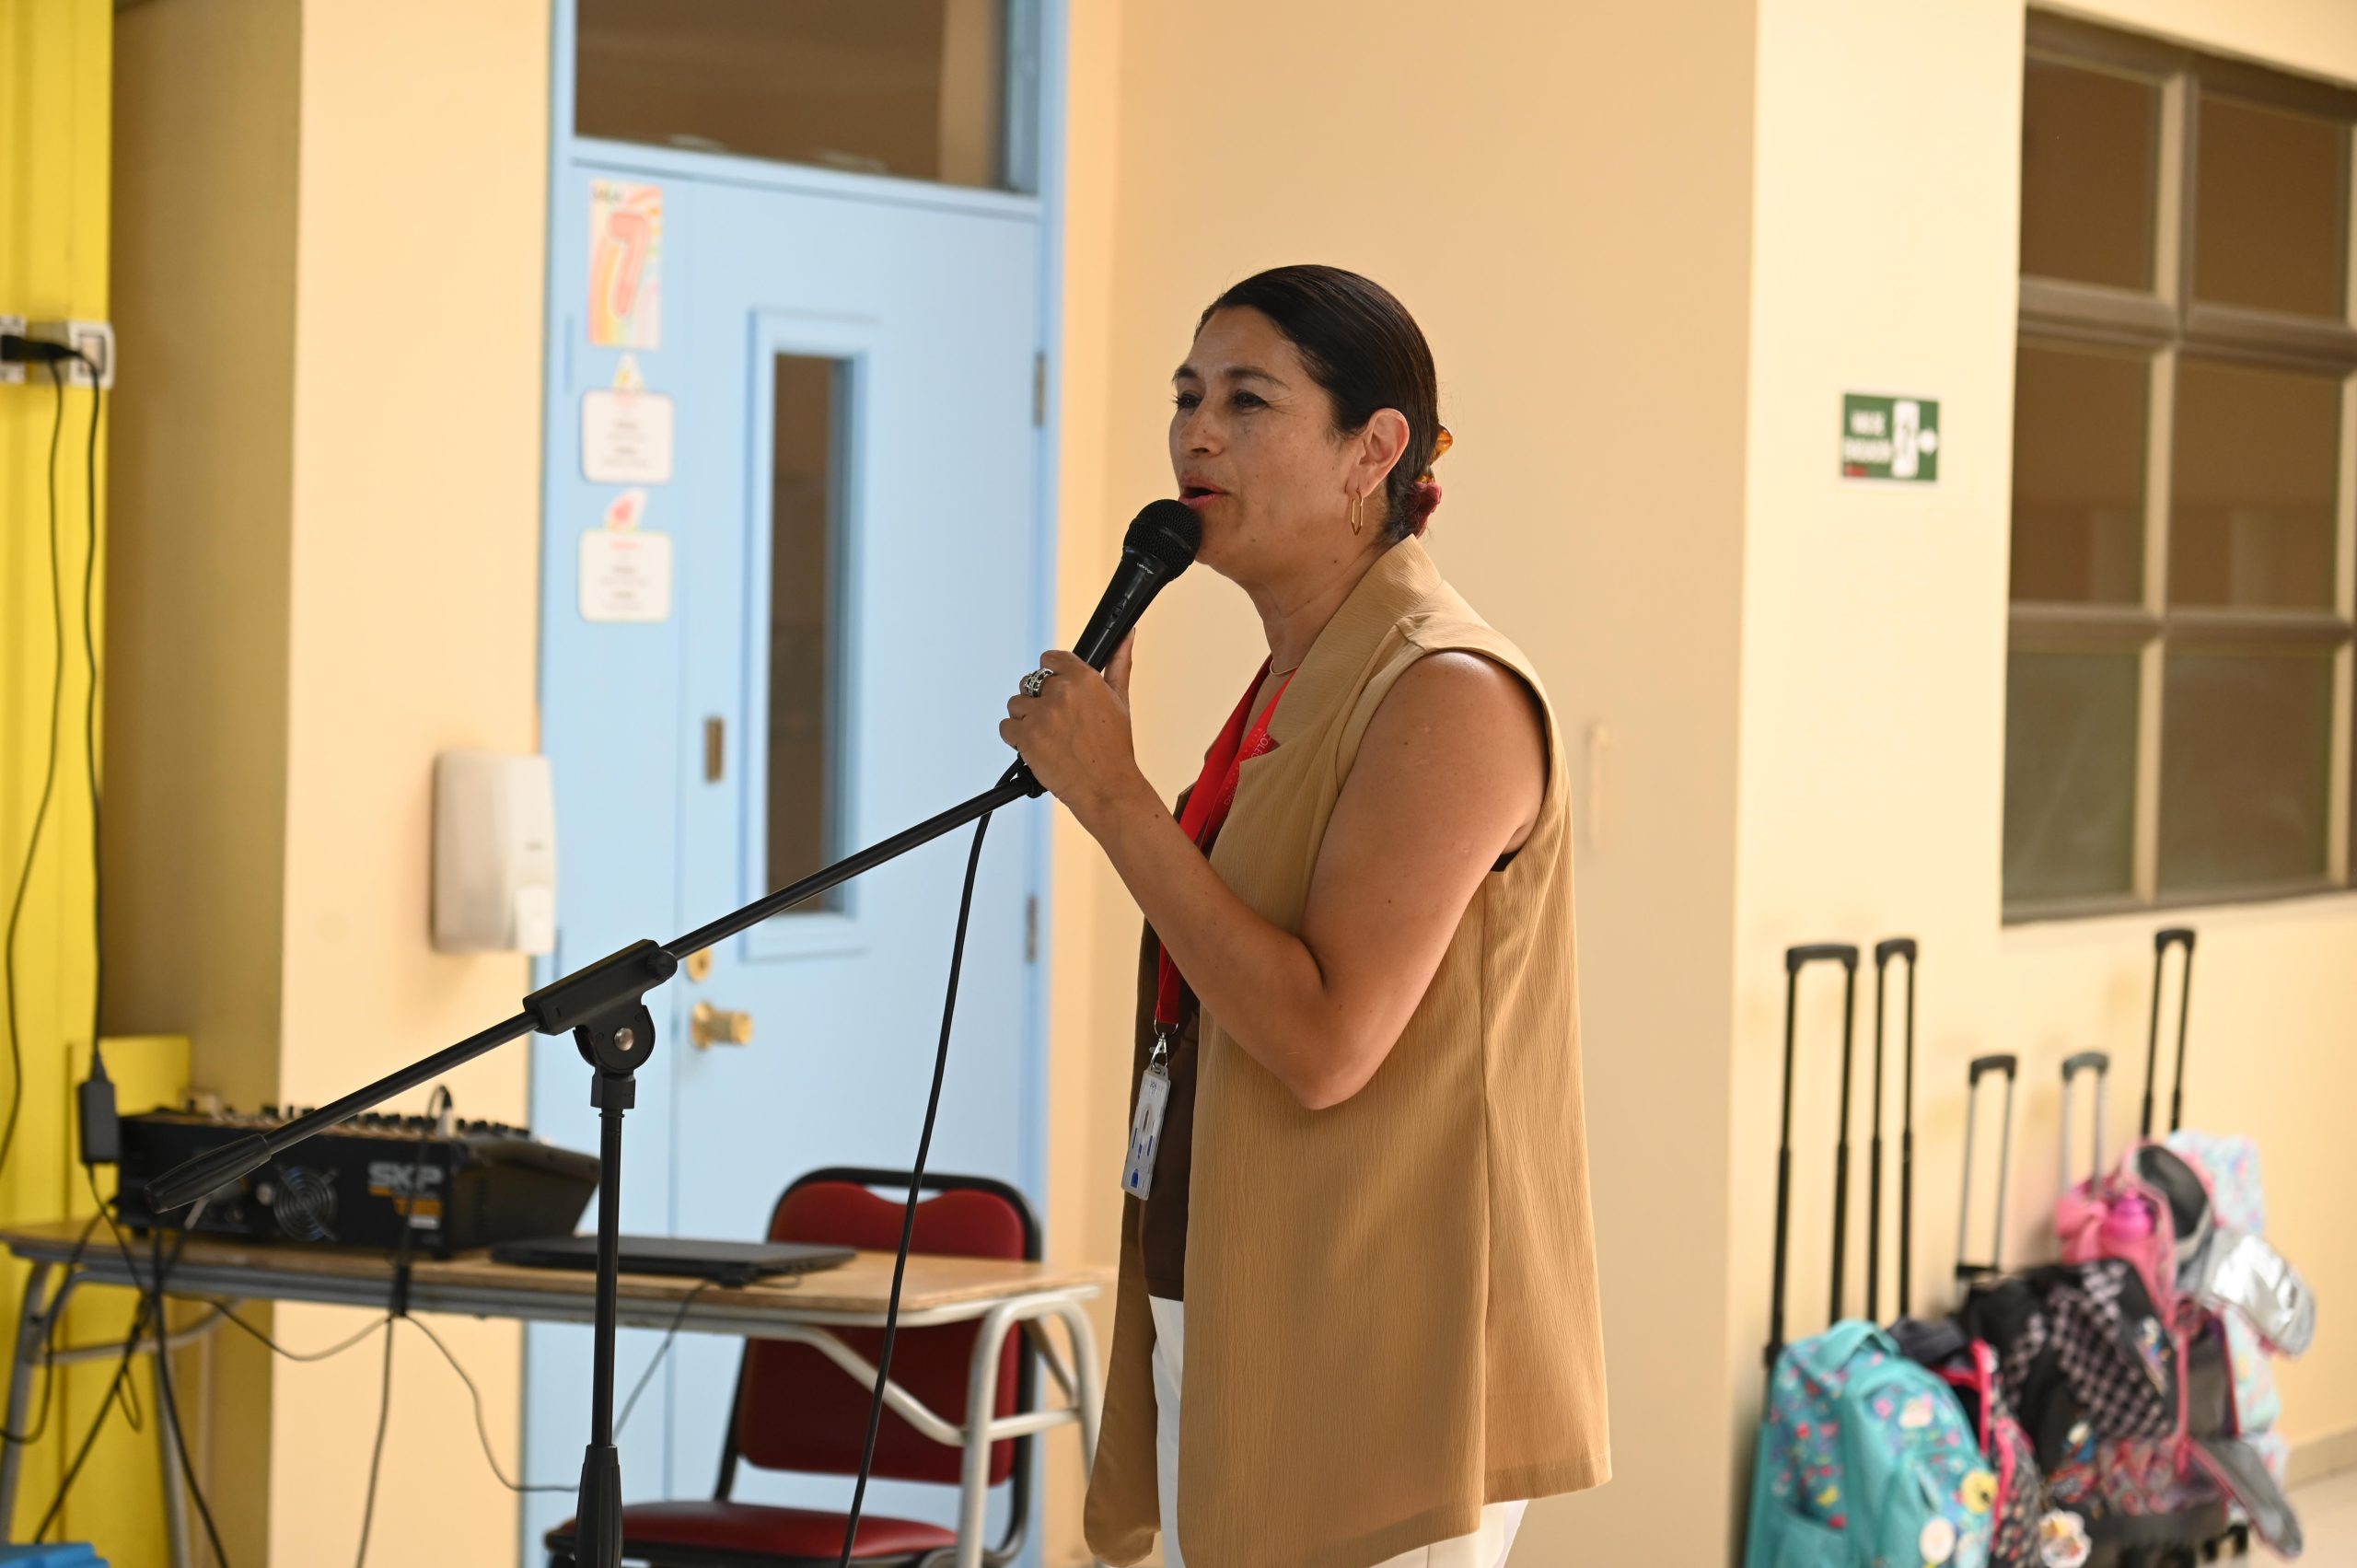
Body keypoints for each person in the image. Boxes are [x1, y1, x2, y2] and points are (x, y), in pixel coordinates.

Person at [1001, 264, 1608, 1568]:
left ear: (1373, 451)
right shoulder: (1293, 684)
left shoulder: (1448, 690)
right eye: (1186, 397)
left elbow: (1328, 1043)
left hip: (1382, 1347)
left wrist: (1114, 797)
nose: (1197, 435)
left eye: (1249, 401)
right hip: (1234, 1299)